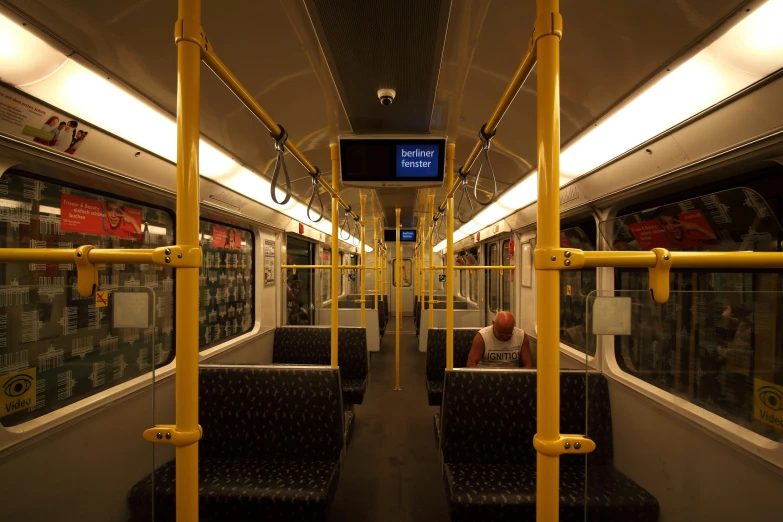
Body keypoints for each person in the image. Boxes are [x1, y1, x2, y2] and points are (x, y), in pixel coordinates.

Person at [467, 311, 533, 368]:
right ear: (493, 324)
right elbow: (471, 364)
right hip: (487, 376)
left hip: (512, 377)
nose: (504, 337)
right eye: (500, 333)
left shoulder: (521, 336)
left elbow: (528, 364)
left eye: (509, 334)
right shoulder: (482, 337)